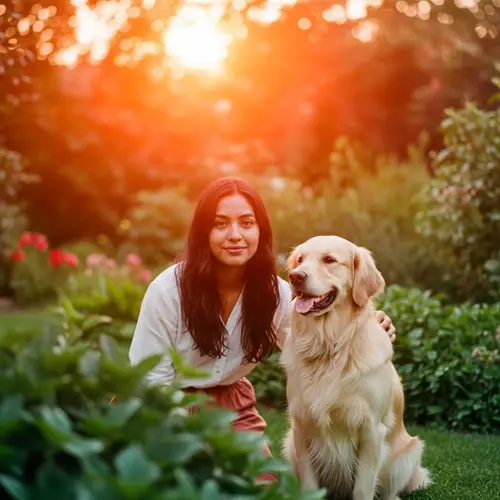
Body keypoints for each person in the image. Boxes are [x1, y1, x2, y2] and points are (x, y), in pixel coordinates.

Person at [128, 176, 396, 481]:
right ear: (204, 232)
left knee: (260, 488)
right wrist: (186, 440)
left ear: (260, 231)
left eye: (246, 223)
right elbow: (150, 381)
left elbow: (312, 346)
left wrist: (371, 329)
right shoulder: (167, 292)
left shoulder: (277, 295)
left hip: (230, 407)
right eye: (220, 224)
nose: (235, 235)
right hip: (162, 404)